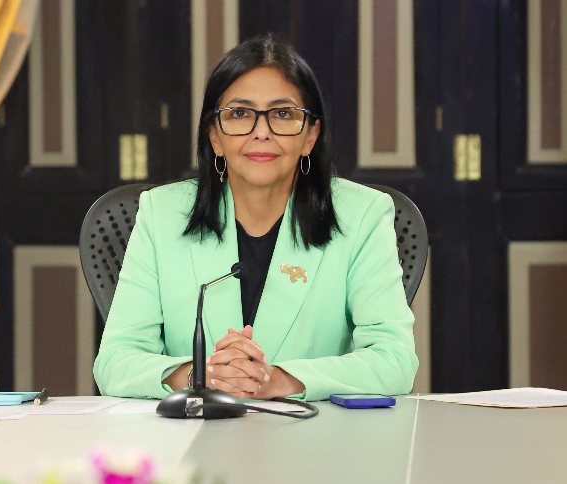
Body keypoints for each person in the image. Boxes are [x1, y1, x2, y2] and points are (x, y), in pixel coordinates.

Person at [93, 34, 417, 402]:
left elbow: (394, 360)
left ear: (311, 136)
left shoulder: (363, 215)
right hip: (194, 430)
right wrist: (202, 375)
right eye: (239, 114)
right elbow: (115, 362)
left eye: (283, 114)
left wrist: (279, 380)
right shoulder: (161, 214)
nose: (261, 133)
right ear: (214, 136)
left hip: (315, 433)